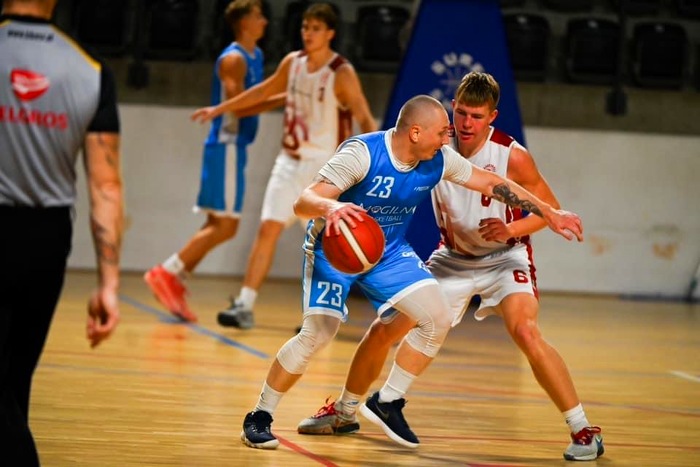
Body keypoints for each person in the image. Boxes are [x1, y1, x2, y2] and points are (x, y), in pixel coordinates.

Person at [237, 94, 583, 450]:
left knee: (437, 316)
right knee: (318, 334)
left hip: (388, 251)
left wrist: (548, 212)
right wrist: (331, 207)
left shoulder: (440, 158)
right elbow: (303, 201)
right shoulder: (362, 153)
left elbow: (491, 183)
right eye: (442, 132)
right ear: (415, 133)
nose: (448, 138)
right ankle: (260, 416)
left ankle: (385, 402)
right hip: (335, 251)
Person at [191, 2, 377, 329]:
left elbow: (364, 117)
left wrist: (370, 166)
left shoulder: (341, 72)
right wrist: (221, 109)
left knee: (325, 244)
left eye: (316, 28)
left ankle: (321, 314)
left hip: (325, 169)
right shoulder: (293, 63)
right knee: (268, 229)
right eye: (305, 27)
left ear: (330, 33)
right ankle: (244, 304)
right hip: (289, 163)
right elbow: (262, 91)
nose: (308, 33)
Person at [0, 0, 124, 464]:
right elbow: (106, 185)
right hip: (47, 240)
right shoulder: (89, 69)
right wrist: (109, 283)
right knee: (15, 378)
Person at [144, 0, 278, 322]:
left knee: (217, 224)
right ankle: (167, 271)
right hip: (226, 144)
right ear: (244, 23)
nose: (265, 21)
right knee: (228, 226)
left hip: (235, 147)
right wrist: (284, 98)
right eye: (258, 16)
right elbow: (237, 107)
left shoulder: (256, 55)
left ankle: (175, 277)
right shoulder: (234, 59)